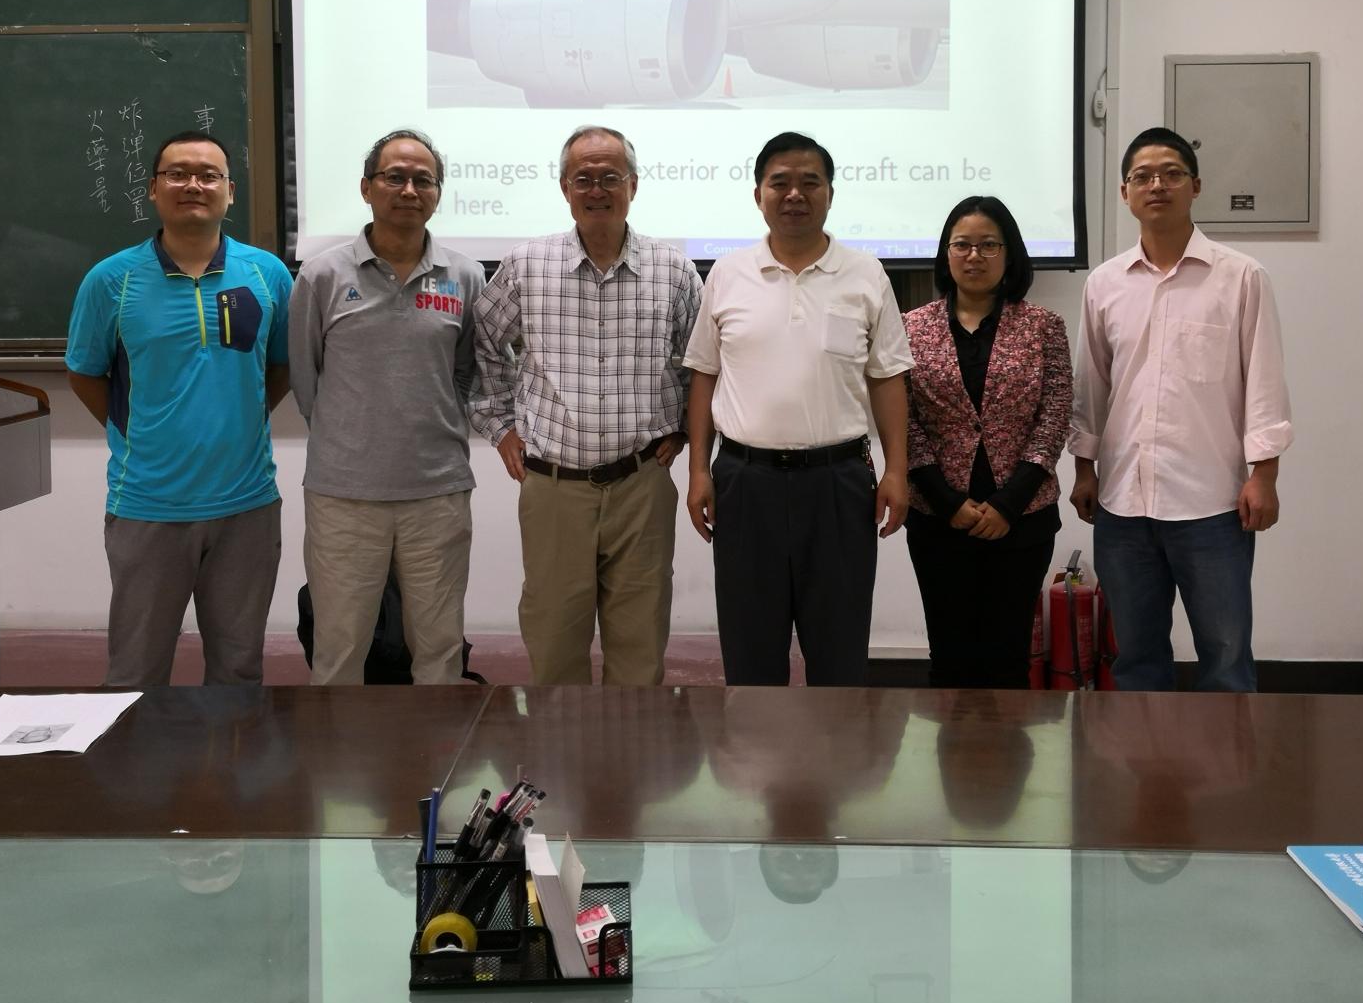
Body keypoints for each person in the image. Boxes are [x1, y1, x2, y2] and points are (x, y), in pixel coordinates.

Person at [472, 125, 702, 685]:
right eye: (584, 179)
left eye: (610, 177)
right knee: (553, 647)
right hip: (553, 487)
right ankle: (559, 745)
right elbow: (483, 345)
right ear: (564, 188)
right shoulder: (527, 264)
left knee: (640, 648)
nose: (597, 189)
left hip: (641, 486)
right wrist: (500, 427)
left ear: (633, 186)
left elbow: (701, 360)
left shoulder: (673, 269)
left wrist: (684, 427)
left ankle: (632, 745)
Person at [682, 131, 913, 686]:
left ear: (830, 193)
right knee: (751, 653)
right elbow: (704, 375)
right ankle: (755, 745)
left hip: (838, 484)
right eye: (779, 183)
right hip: (745, 482)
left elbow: (887, 378)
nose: (794, 195)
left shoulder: (866, 274)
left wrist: (897, 471)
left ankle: (836, 746)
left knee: (839, 654)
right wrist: (697, 471)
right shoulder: (728, 273)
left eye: (810, 182)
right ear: (757, 194)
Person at [1068, 126, 1293, 692]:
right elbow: (1092, 384)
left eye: (1171, 173)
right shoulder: (1104, 284)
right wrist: (1084, 469)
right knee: (1136, 658)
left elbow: (1264, 383)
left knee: (1226, 657)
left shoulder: (1241, 277)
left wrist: (1264, 474)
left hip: (1212, 504)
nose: (1157, 185)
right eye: (1142, 176)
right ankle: (1144, 752)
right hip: (1123, 504)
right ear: (1125, 193)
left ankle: (1229, 752)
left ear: (1196, 186)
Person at [64, 130, 292, 687]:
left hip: (247, 506)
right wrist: (139, 433)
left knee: (239, 672)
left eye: (209, 175)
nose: (194, 184)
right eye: (178, 173)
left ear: (230, 192)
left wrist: (241, 416)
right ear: (153, 188)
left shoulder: (268, 274)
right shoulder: (111, 281)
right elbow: (84, 373)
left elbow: (282, 365)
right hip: (148, 505)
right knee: (135, 675)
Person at [290, 128, 485, 685]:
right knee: (339, 648)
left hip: (437, 492)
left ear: (438, 193)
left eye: (424, 180)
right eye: (394, 177)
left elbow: (465, 371)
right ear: (366, 188)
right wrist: (354, 437)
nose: (409, 190)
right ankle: (339, 748)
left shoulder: (466, 276)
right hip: (344, 496)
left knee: (440, 649)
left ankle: (432, 746)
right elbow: (306, 379)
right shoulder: (322, 275)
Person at [902, 195, 1072, 688]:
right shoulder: (911, 327)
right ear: (946, 254)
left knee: (1008, 658)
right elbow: (903, 420)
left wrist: (1008, 504)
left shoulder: (1044, 326)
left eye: (988, 245)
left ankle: (1003, 743)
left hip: (1022, 519)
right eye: (962, 245)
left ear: (1009, 254)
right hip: (938, 517)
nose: (974, 256)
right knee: (949, 657)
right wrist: (947, 501)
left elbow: (1054, 415)